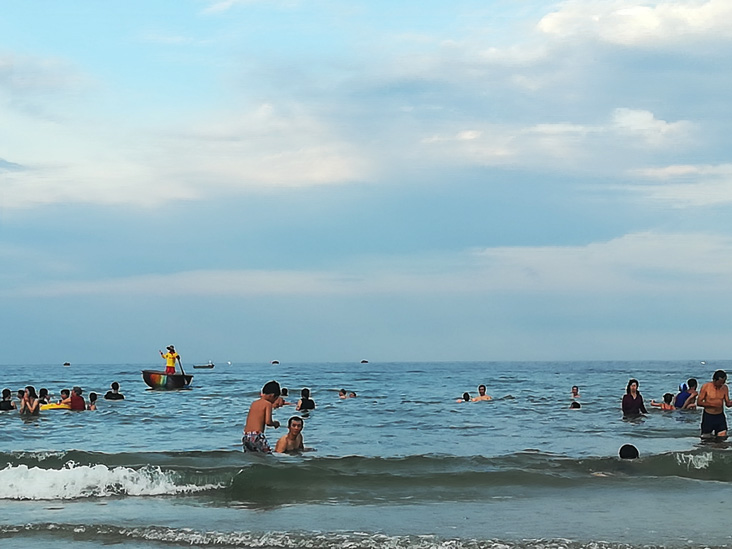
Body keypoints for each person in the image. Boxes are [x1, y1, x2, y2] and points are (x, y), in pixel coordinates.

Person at [242, 380, 281, 453]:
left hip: (246, 436)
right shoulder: (267, 404)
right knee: (267, 456)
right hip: (257, 436)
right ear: (272, 395)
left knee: (251, 456)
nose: (274, 401)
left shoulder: (254, 403)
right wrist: (275, 423)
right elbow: (268, 422)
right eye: (275, 398)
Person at [697, 370, 732, 440]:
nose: (721, 385)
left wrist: (730, 403)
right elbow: (699, 402)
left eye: (723, 382)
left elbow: (727, 403)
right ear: (714, 380)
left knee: (722, 437)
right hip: (709, 416)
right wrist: (712, 405)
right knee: (706, 439)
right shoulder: (706, 387)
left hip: (720, 416)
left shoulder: (725, 388)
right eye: (720, 383)